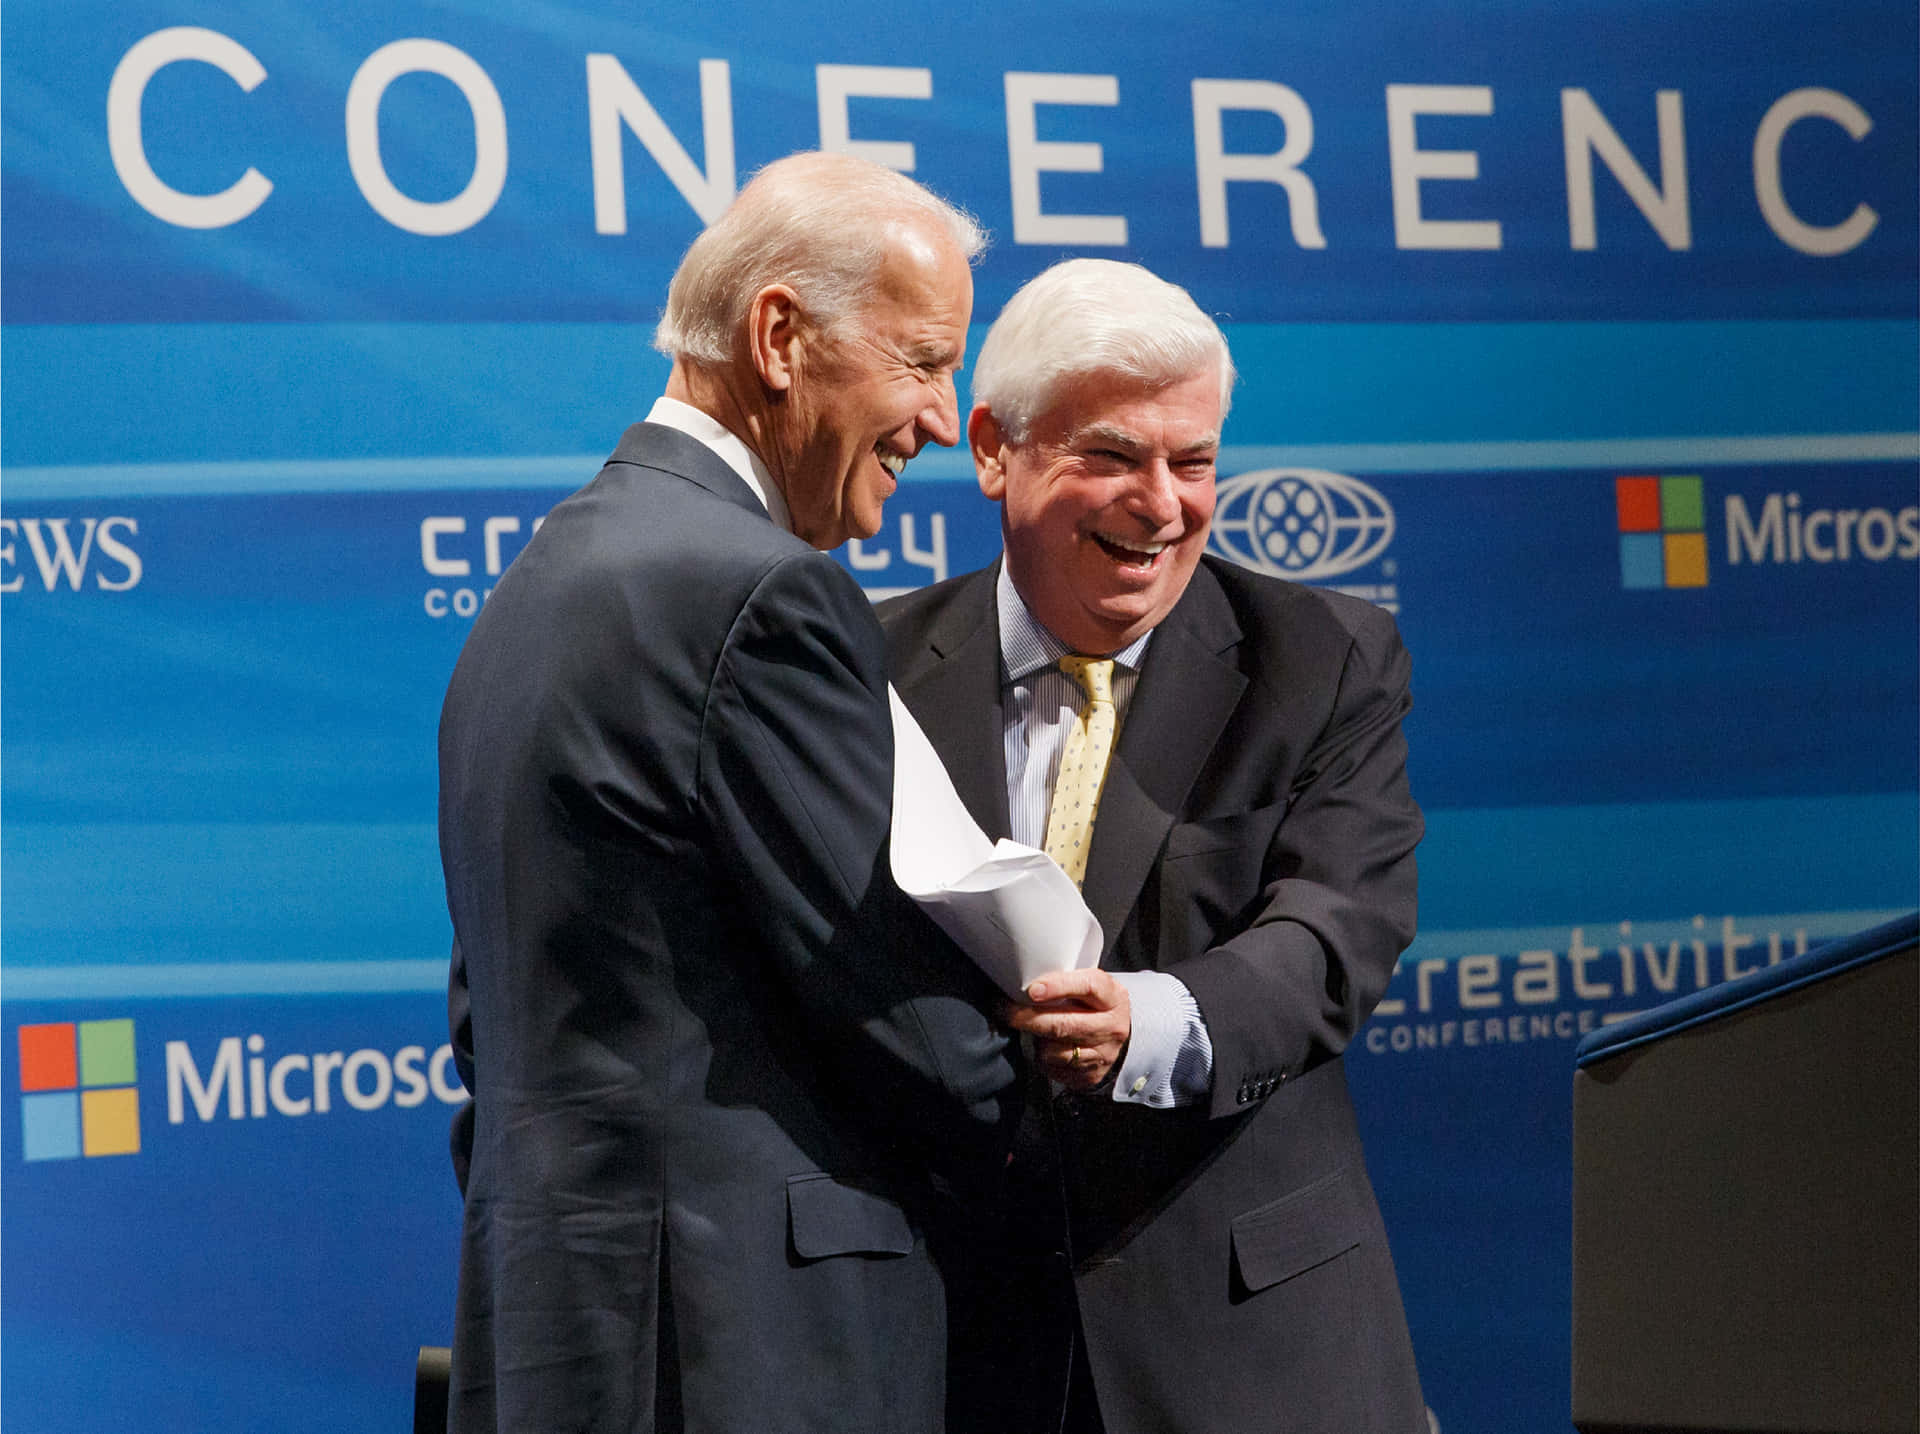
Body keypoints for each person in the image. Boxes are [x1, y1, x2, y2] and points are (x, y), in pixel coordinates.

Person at [438, 151, 1020, 1434]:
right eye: (922, 361)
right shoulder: (758, 594)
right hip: (743, 1342)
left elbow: (494, 1020)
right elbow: (900, 1013)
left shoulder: (536, 586)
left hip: (558, 1325)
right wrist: (1085, 1100)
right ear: (779, 336)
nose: (939, 415)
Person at [880, 258, 1427, 1434]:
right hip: (958, 1353)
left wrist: (1152, 1023)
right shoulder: (866, 673)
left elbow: (1341, 928)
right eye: (1116, 457)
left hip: (1253, 1352)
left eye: (1196, 463)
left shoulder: (1320, 659)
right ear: (992, 449)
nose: (1164, 504)